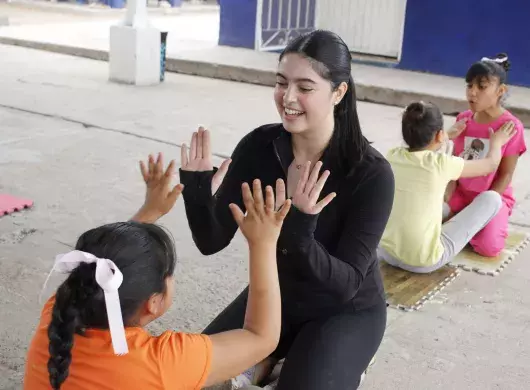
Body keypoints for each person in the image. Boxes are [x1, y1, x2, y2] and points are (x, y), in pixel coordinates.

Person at [178, 30, 395, 389]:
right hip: (274, 296)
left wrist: (300, 226)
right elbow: (211, 240)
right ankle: (266, 361)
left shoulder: (370, 174)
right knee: (191, 378)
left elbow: (345, 285)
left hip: (344, 312)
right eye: (281, 83)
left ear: (338, 92)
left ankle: (299, 363)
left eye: (305, 87)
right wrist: (198, 189)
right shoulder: (259, 147)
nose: (288, 98)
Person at [23, 153, 293, 390]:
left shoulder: (55, 318)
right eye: (169, 275)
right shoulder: (164, 362)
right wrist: (263, 244)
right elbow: (261, 337)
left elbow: (105, 264)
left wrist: (148, 212)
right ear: (153, 303)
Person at [379, 101, 516, 273]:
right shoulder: (441, 164)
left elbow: (421, 152)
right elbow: (490, 165)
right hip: (423, 262)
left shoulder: (393, 155)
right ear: (439, 135)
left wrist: (445, 136)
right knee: (493, 198)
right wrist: (496, 143)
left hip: (386, 253)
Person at [447, 53, 527, 257]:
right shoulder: (464, 119)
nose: (472, 93)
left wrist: (484, 207)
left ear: (500, 91)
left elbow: (505, 175)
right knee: (427, 223)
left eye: (481, 87)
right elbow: (455, 164)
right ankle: (465, 227)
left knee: (488, 248)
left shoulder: (510, 127)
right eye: (469, 85)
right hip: (461, 196)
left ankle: (476, 227)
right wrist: (447, 196)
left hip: (492, 197)